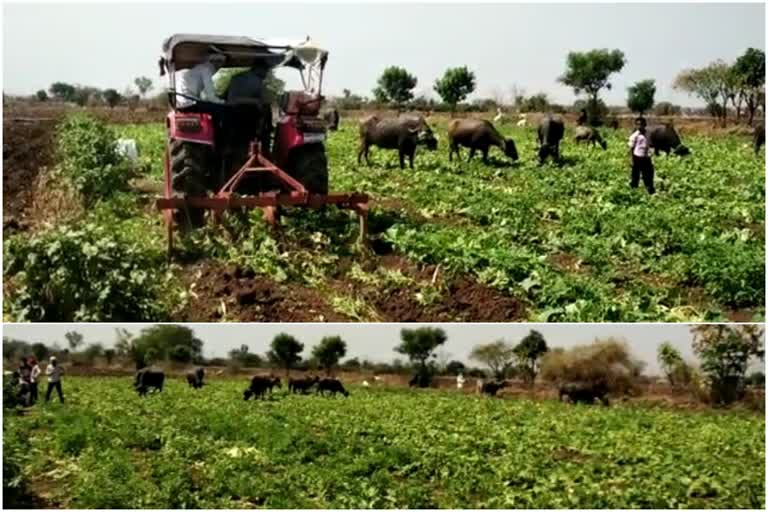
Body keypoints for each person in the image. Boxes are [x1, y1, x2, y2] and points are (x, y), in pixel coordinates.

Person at [628, 116, 656, 194]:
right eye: (637, 124)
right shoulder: (634, 135)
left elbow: (650, 145)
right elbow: (631, 148)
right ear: (636, 125)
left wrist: (651, 154)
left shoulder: (648, 134)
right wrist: (631, 160)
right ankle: (633, 192)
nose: (639, 126)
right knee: (635, 176)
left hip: (646, 158)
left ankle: (650, 191)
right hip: (637, 157)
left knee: (648, 175)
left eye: (641, 124)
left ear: (645, 125)